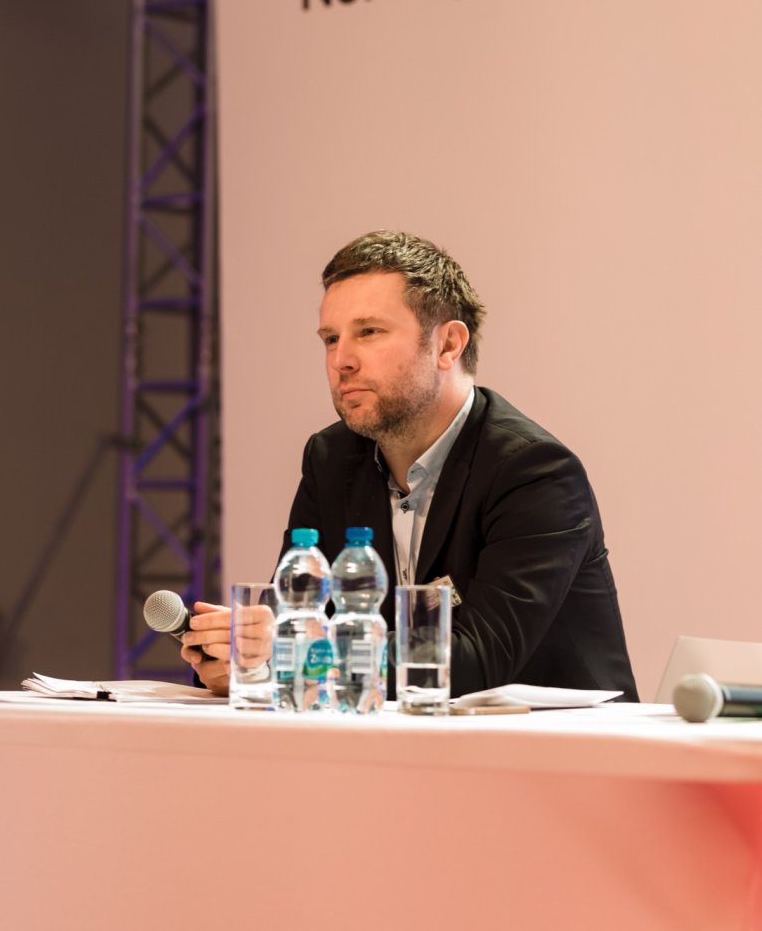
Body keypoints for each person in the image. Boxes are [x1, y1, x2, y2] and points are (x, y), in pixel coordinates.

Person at [181, 230, 638, 701]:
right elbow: (300, 618)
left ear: (448, 346)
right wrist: (240, 656)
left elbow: (473, 661)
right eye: (330, 339)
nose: (341, 361)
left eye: (369, 332)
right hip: (409, 749)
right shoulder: (331, 459)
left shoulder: (534, 472)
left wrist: (293, 657)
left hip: (565, 757)